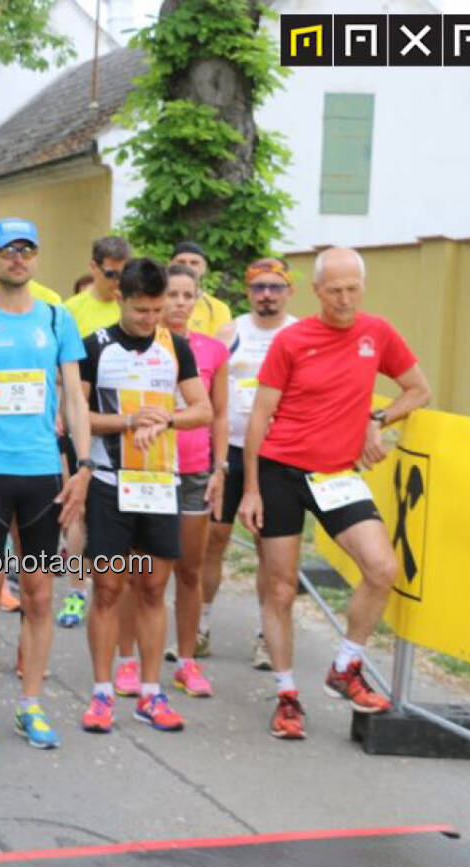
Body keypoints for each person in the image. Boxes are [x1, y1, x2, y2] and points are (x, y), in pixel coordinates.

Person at [237, 247, 431, 740]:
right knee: (280, 588)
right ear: (318, 291)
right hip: (281, 471)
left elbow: (418, 389)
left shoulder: (377, 333)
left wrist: (376, 420)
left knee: (382, 568)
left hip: (335, 475)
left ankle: (345, 666)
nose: (345, 299)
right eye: (335, 290)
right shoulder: (293, 339)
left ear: (362, 288)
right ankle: (286, 696)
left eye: (353, 289)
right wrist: (252, 490)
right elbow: (260, 416)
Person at [0, 217, 90, 751]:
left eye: (28, 249)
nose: (19, 258)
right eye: (9, 250)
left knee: (39, 592)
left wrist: (84, 466)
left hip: (42, 474)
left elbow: (74, 399)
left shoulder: (56, 319)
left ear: (36, 256)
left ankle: (31, 705)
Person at [76, 258, 210, 735]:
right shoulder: (95, 347)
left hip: (158, 483)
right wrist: (129, 422)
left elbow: (203, 410)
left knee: (153, 588)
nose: (151, 319)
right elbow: (76, 417)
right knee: (109, 589)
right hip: (112, 481)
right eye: (141, 311)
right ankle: (101, 693)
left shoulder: (175, 347)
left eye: (157, 310)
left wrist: (165, 418)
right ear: (120, 299)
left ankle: (152, 695)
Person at [203, 258, 299, 670]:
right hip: (234, 450)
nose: (267, 295)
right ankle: (200, 626)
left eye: (275, 287)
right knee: (214, 540)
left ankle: (266, 636)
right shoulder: (231, 332)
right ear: (248, 293)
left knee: (270, 549)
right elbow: (209, 385)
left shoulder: (298, 334)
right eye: (259, 287)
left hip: (279, 454)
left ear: (289, 291)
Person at [56, 235, 132, 632]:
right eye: (110, 274)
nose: (117, 282)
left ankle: (112, 586)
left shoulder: (131, 307)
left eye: (123, 274)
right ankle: (75, 589)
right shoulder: (72, 311)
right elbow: (57, 369)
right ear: (93, 267)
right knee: (77, 508)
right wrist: (59, 411)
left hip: (122, 424)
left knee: (117, 512)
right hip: (80, 417)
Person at [158, 263, 228, 699]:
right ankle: (127, 662)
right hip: (146, 468)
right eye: (172, 294)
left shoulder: (211, 350)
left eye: (189, 295)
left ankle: (186, 661)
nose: (180, 303)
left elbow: (219, 414)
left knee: (189, 570)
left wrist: (221, 468)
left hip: (194, 469)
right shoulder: (142, 345)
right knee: (140, 571)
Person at [170, 241, 232, 338]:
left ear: (204, 268)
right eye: (181, 262)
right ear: (170, 265)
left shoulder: (218, 309)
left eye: (194, 263)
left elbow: (219, 348)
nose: (188, 266)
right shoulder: (157, 303)